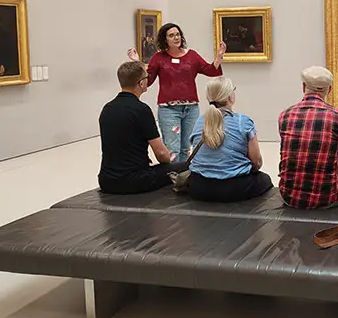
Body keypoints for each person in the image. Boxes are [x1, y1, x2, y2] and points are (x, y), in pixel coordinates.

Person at [128, 22, 226, 163]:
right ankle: (171, 180)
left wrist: (219, 57)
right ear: (165, 39)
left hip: (191, 109)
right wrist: (137, 63)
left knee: (187, 148)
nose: (176, 38)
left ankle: (184, 178)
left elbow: (210, 70)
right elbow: (147, 80)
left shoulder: (192, 56)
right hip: (169, 110)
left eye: (178, 34)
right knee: (173, 149)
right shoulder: (158, 58)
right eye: (171, 35)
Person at [278, 66, 338, 209]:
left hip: (290, 197)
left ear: (303, 86)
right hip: (327, 199)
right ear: (329, 90)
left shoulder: (285, 115)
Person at [98, 61, 188, 195]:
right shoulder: (141, 110)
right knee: (187, 166)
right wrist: (168, 161)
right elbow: (162, 154)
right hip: (134, 181)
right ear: (141, 83)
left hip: (106, 181)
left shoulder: (107, 108)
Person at [185, 76, 272, 202]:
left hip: (199, 187)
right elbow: (257, 162)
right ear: (230, 97)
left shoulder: (199, 122)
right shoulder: (244, 122)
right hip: (234, 188)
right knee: (265, 179)